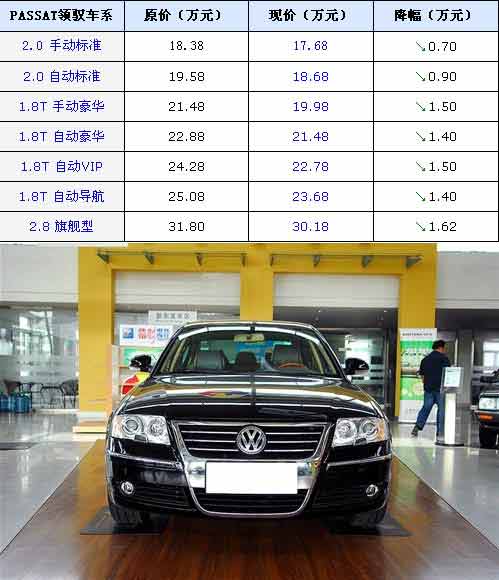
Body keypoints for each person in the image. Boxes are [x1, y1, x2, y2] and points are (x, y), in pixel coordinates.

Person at [411, 339, 451, 442]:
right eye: (444, 348)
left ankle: (417, 427)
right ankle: (439, 432)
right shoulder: (444, 359)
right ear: (441, 347)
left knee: (425, 408)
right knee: (441, 410)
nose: (445, 350)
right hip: (440, 390)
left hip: (428, 389)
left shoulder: (425, 359)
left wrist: (426, 385)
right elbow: (448, 374)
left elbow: (422, 376)